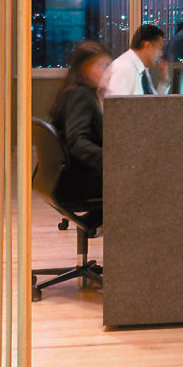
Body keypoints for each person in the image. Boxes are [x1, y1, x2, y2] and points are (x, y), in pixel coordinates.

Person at [48, 39, 111, 226]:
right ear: (86, 68)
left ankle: (95, 224)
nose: (107, 72)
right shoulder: (80, 95)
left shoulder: (74, 91)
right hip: (79, 182)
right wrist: (111, 160)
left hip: (68, 177)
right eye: (103, 66)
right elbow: (77, 142)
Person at [103, 23, 166, 97]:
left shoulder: (141, 70)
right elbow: (115, 106)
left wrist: (164, 81)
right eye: (159, 48)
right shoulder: (124, 69)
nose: (161, 54)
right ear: (147, 46)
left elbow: (154, 103)